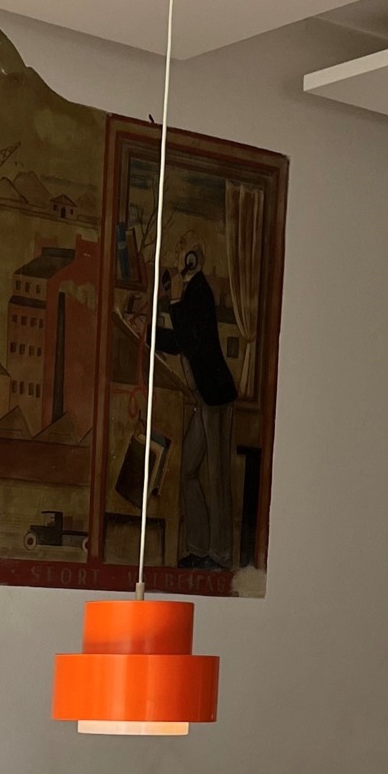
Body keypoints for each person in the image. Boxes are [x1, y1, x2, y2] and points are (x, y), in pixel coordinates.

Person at [155, 241, 238, 570]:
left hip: (216, 396)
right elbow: (179, 341)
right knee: (189, 469)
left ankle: (220, 556)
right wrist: (147, 334)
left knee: (216, 476)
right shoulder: (189, 293)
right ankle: (200, 547)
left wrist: (174, 302)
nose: (179, 259)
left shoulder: (200, 292)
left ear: (193, 260)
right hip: (202, 397)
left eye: (184, 254)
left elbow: (191, 341)